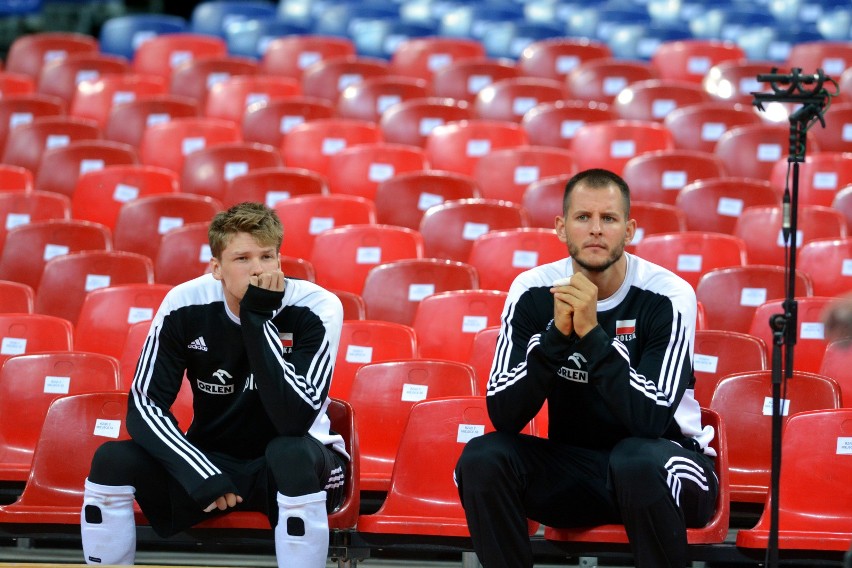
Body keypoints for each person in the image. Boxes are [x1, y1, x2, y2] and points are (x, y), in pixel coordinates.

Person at [455, 168, 718, 568]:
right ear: (561, 228)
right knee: (482, 458)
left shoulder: (667, 295)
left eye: (608, 219)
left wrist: (593, 334)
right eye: (583, 218)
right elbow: (504, 414)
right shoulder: (533, 290)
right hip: (579, 470)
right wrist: (555, 339)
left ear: (629, 230)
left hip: (671, 469)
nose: (596, 230)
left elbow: (649, 420)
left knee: (635, 459)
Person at [80, 202, 345, 568]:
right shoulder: (184, 303)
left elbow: (293, 420)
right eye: (242, 259)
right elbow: (144, 406)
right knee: (112, 460)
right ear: (216, 268)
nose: (258, 270)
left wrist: (256, 319)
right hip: (214, 461)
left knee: (289, 451)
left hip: (299, 464)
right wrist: (197, 471)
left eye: (267, 256)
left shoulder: (316, 306)